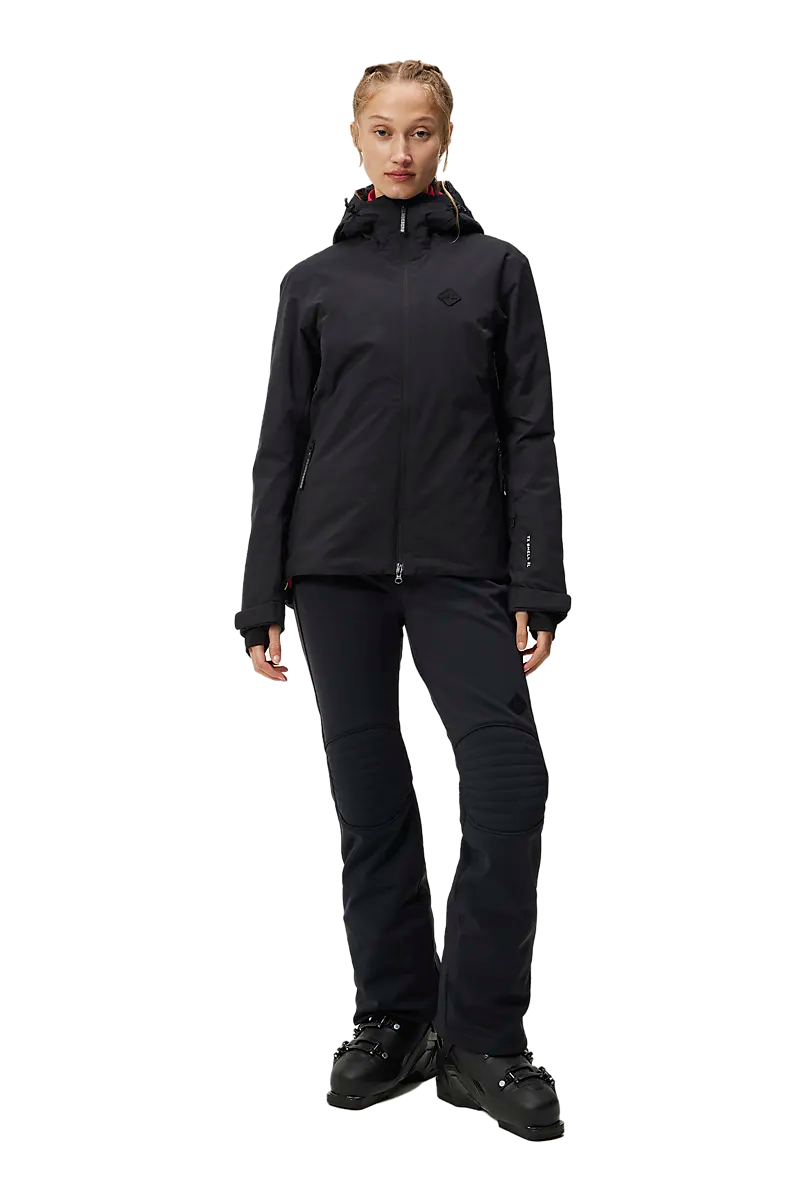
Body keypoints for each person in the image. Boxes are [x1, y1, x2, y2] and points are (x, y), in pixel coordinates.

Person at [234, 60, 569, 1142]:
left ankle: (482, 1037)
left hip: (462, 568)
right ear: (354, 137)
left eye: (420, 132)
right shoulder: (314, 282)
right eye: (382, 131)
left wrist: (538, 582)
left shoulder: (497, 270)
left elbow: (530, 435)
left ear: (446, 140)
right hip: (332, 573)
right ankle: (393, 1017)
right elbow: (281, 443)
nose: (401, 151)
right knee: (370, 798)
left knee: (507, 782)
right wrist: (258, 597)